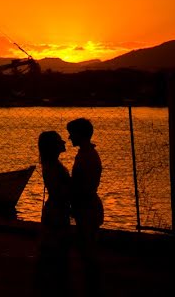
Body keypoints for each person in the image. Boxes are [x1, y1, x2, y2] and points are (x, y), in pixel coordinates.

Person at [67, 117, 104, 296]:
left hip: (87, 207)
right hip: (86, 206)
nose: (69, 138)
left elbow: (83, 185)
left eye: (72, 134)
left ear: (80, 135)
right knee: (86, 248)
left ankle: (92, 287)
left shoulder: (87, 157)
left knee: (87, 249)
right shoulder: (86, 153)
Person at [35, 130, 70, 296]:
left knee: (52, 248)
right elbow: (59, 191)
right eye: (59, 141)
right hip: (56, 210)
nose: (64, 143)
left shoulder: (51, 165)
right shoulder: (53, 167)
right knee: (55, 248)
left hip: (56, 209)